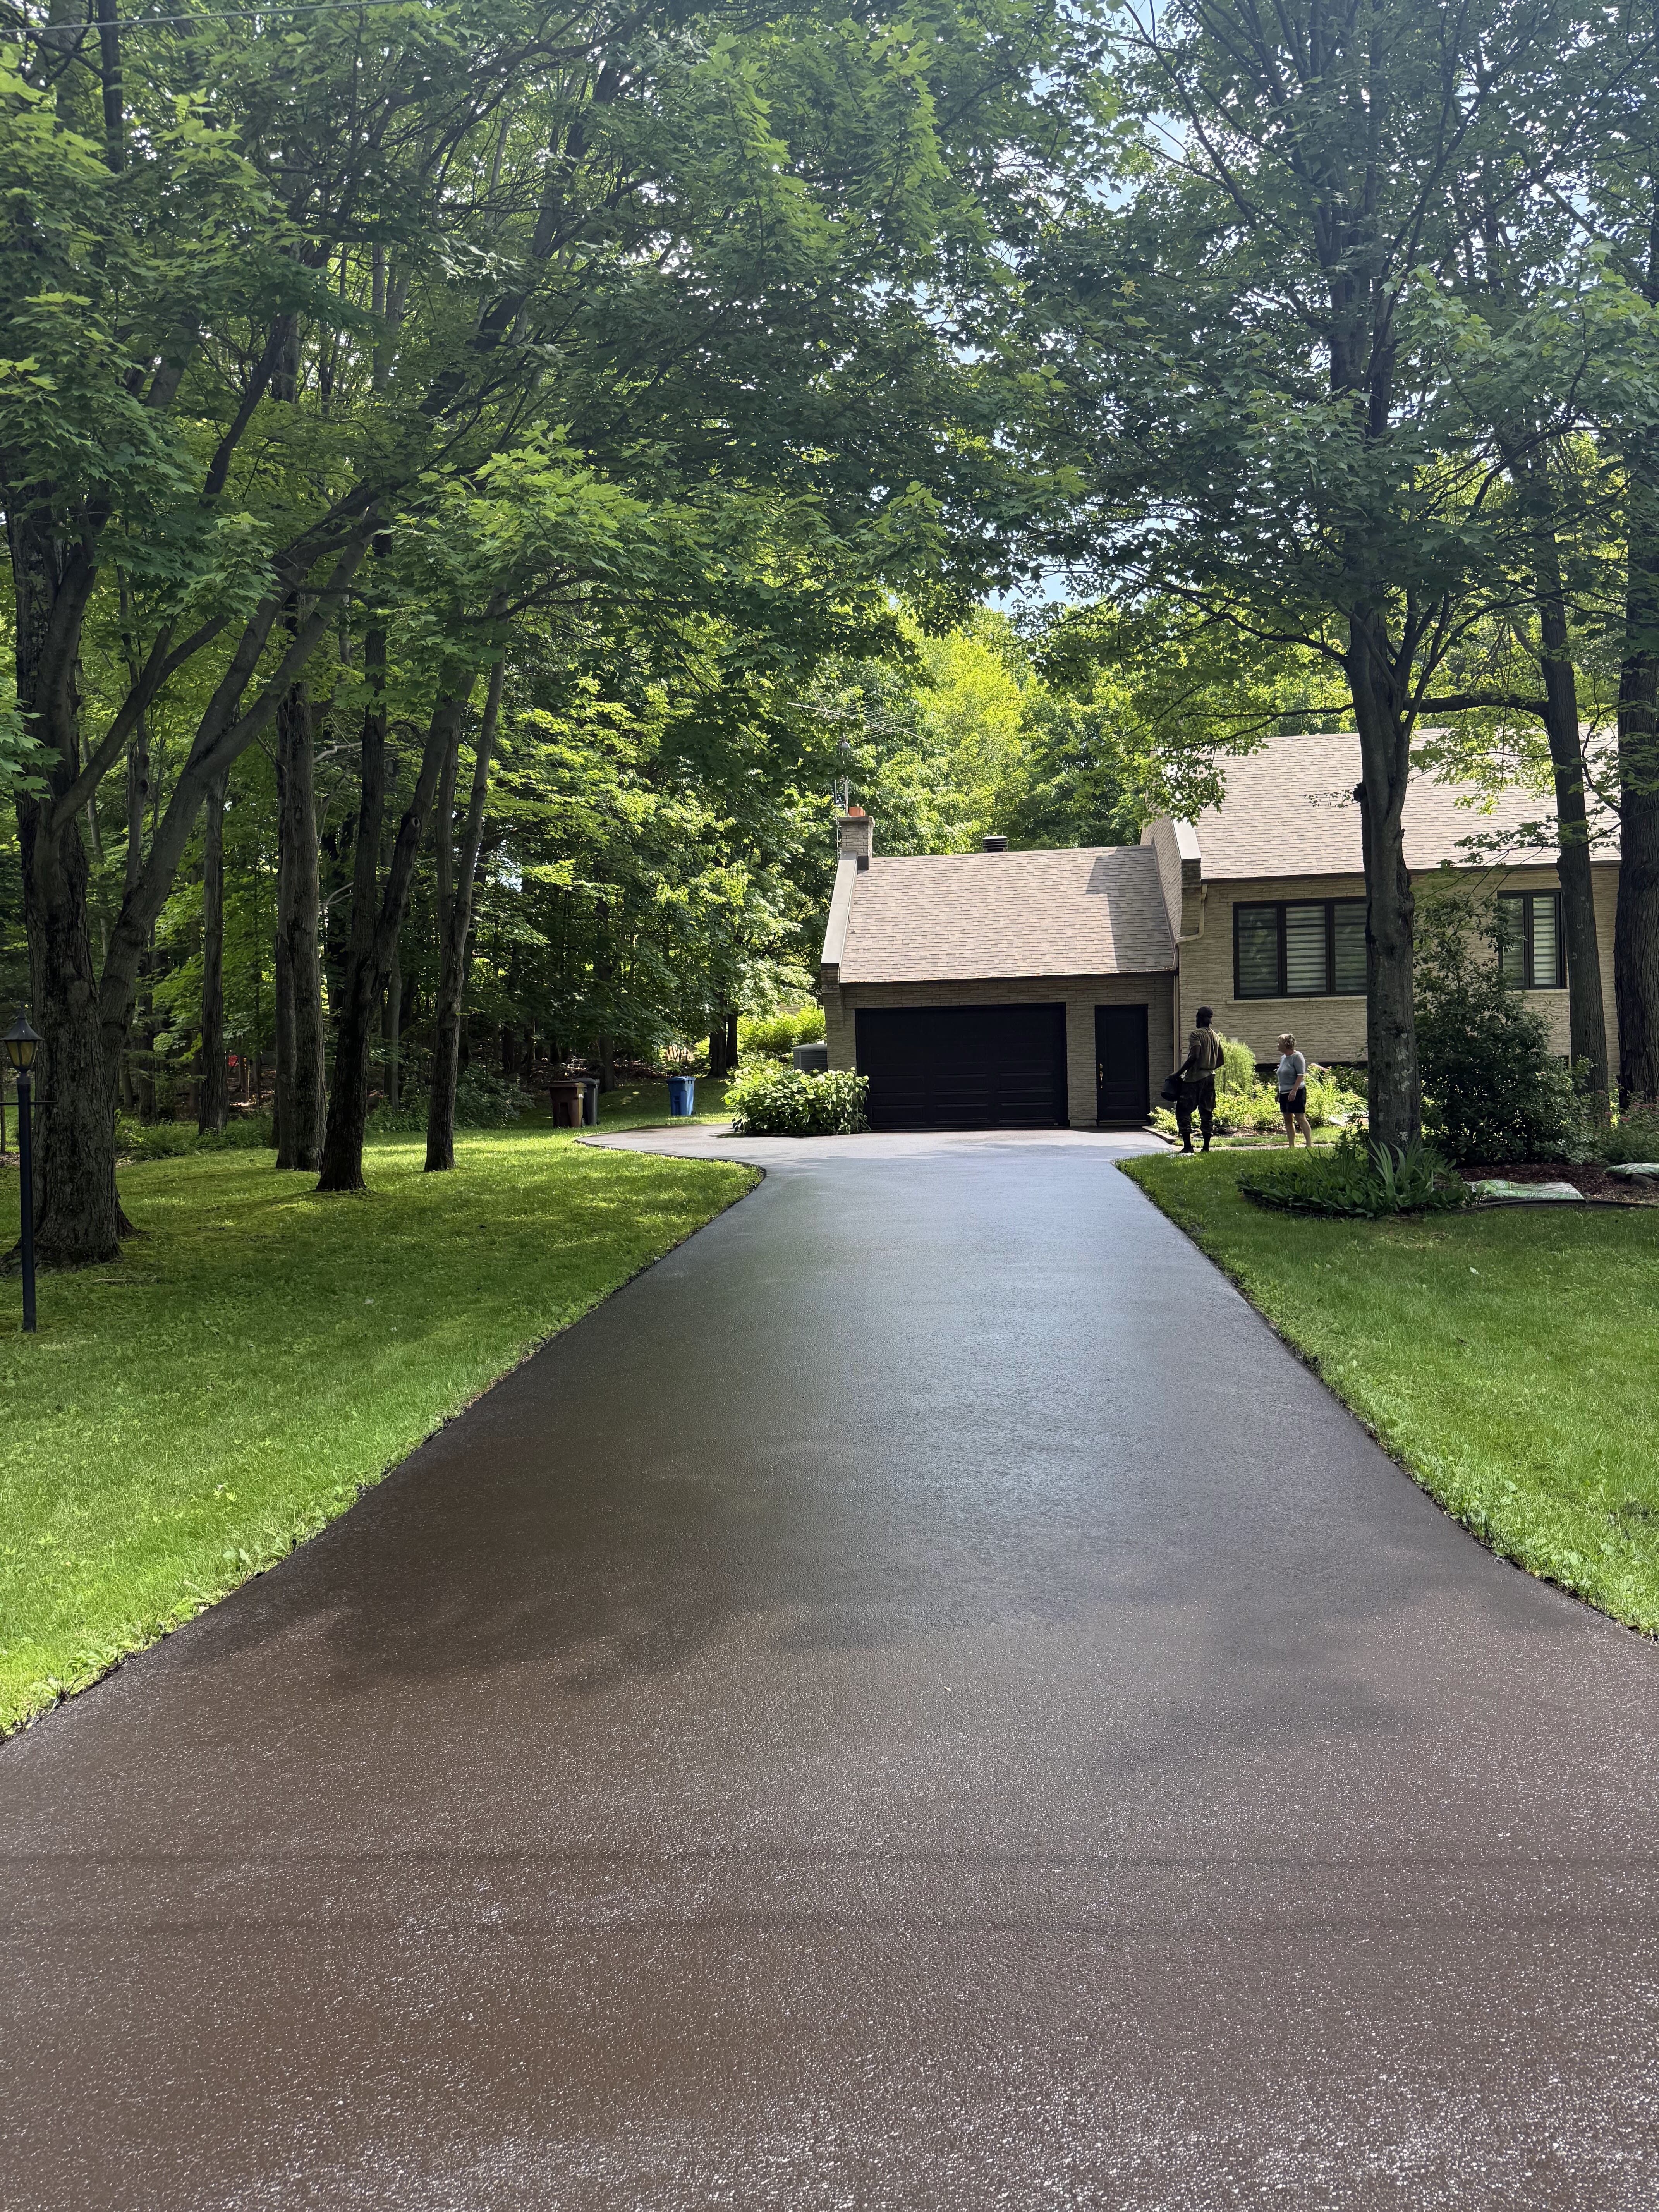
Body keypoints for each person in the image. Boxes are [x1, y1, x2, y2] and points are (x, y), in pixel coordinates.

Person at [1176, 1006, 1224, 1153]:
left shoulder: (1196, 1034)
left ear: (1199, 1018)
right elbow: (1221, 1060)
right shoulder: (1215, 1036)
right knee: (1207, 1112)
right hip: (1210, 1077)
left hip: (1194, 1079)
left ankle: (1188, 1147)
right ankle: (1206, 1148)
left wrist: (1179, 1073)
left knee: (1183, 1111)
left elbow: (1195, 1056)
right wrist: (1209, 1067)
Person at [1277, 1032, 1312, 1147]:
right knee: (1288, 1119)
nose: (1277, 1045)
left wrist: (1294, 1091)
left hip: (1297, 1092)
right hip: (1284, 1093)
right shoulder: (1283, 1058)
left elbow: (1301, 1075)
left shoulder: (1297, 1057)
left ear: (1286, 1045)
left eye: (1279, 1043)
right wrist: (1279, 1092)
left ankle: (1309, 1144)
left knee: (1300, 1118)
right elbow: (1282, 1076)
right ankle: (1291, 1146)